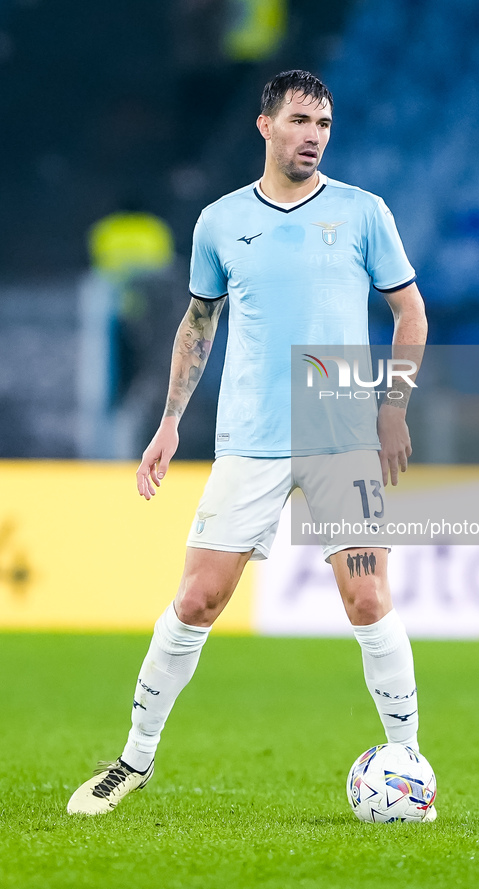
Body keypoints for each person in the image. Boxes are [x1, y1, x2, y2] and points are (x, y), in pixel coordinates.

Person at [67, 69, 431, 818]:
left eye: (324, 124)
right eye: (300, 120)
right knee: (198, 598)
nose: (313, 135)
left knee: (366, 596)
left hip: (338, 430)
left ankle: (408, 760)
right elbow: (199, 323)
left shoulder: (363, 213)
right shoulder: (220, 221)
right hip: (250, 437)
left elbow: (409, 312)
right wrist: (169, 421)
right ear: (264, 126)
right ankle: (132, 760)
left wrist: (392, 406)